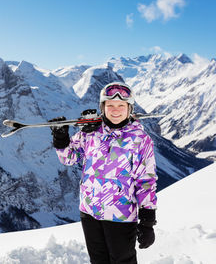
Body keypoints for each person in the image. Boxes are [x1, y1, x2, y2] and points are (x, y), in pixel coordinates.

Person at [49, 82, 157, 264]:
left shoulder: (140, 140)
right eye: (110, 105)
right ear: (102, 107)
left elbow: (146, 181)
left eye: (121, 105)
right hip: (89, 211)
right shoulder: (90, 133)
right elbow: (69, 158)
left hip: (120, 215)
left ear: (129, 108)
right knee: (98, 261)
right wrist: (61, 139)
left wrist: (147, 221)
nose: (116, 110)